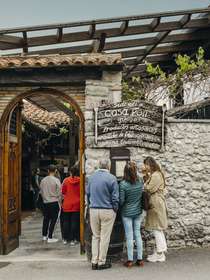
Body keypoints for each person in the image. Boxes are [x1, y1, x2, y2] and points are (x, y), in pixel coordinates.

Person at [86, 159, 119, 270]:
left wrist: (91, 205)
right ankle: (101, 261)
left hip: (94, 209)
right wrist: (115, 209)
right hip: (107, 210)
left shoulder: (91, 177)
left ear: (99, 166)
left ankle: (94, 261)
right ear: (108, 166)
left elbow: (88, 194)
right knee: (105, 237)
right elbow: (115, 197)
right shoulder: (112, 178)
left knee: (95, 236)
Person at [142, 157, 168, 262]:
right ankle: (160, 252)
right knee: (157, 228)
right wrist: (146, 178)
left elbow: (149, 188)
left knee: (157, 228)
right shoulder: (154, 174)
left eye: (146, 165)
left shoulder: (156, 175)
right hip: (155, 202)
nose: (145, 167)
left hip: (156, 203)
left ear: (150, 164)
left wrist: (145, 184)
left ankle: (160, 254)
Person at [120, 161, 144, 268]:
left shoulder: (123, 184)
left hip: (127, 213)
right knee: (137, 234)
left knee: (129, 236)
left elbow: (121, 201)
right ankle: (140, 259)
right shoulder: (140, 181)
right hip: (138, 211)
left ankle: (130, 260)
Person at [40, 164, 61, 243]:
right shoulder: (56, 180)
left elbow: (41, 191)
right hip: (54, 202)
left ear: (48, 171)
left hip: (45, 202)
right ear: (55, 171)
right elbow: (59, 192)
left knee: (46, 219)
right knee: (53, 220)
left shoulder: (43, 180)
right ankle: (50, 236)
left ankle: (44, 236)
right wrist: (60, 201)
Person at [61, 165, 80, 245]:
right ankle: (73, 239)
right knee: (74, 222)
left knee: (66, 222)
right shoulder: (80, 180)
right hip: (77, 203)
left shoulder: (66, 180)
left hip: (67, 203)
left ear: (70, 172)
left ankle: (65, 239)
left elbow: (63, 192)